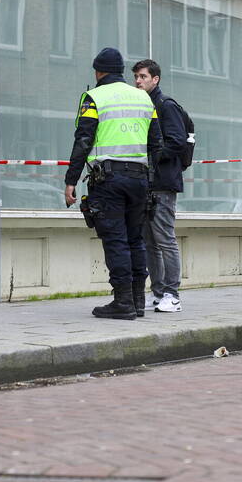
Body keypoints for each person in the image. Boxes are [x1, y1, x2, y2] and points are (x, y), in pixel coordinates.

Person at [64, 48, 163, 319]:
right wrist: (150, 183)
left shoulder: (94, 97)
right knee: (135, 240)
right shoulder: (144, 98)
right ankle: (137, 301)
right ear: (120, 71)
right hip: (139, 180)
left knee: (116, 240)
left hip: (108, 180)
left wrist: (70, 181)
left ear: (98, 71)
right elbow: (157, 144)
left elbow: (83, 140)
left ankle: (122, 302)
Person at [132, 59, 186, 313]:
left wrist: (153, 156)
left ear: (156, 79)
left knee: (165, 239)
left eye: (143, 76)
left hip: (163, 183)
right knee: (149, 241)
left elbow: (177, 141)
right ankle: (158, 291)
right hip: (146, 183)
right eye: (136, 77)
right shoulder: (143, 105)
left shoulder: (165, 105)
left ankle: (172, 295)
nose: (138, 81)